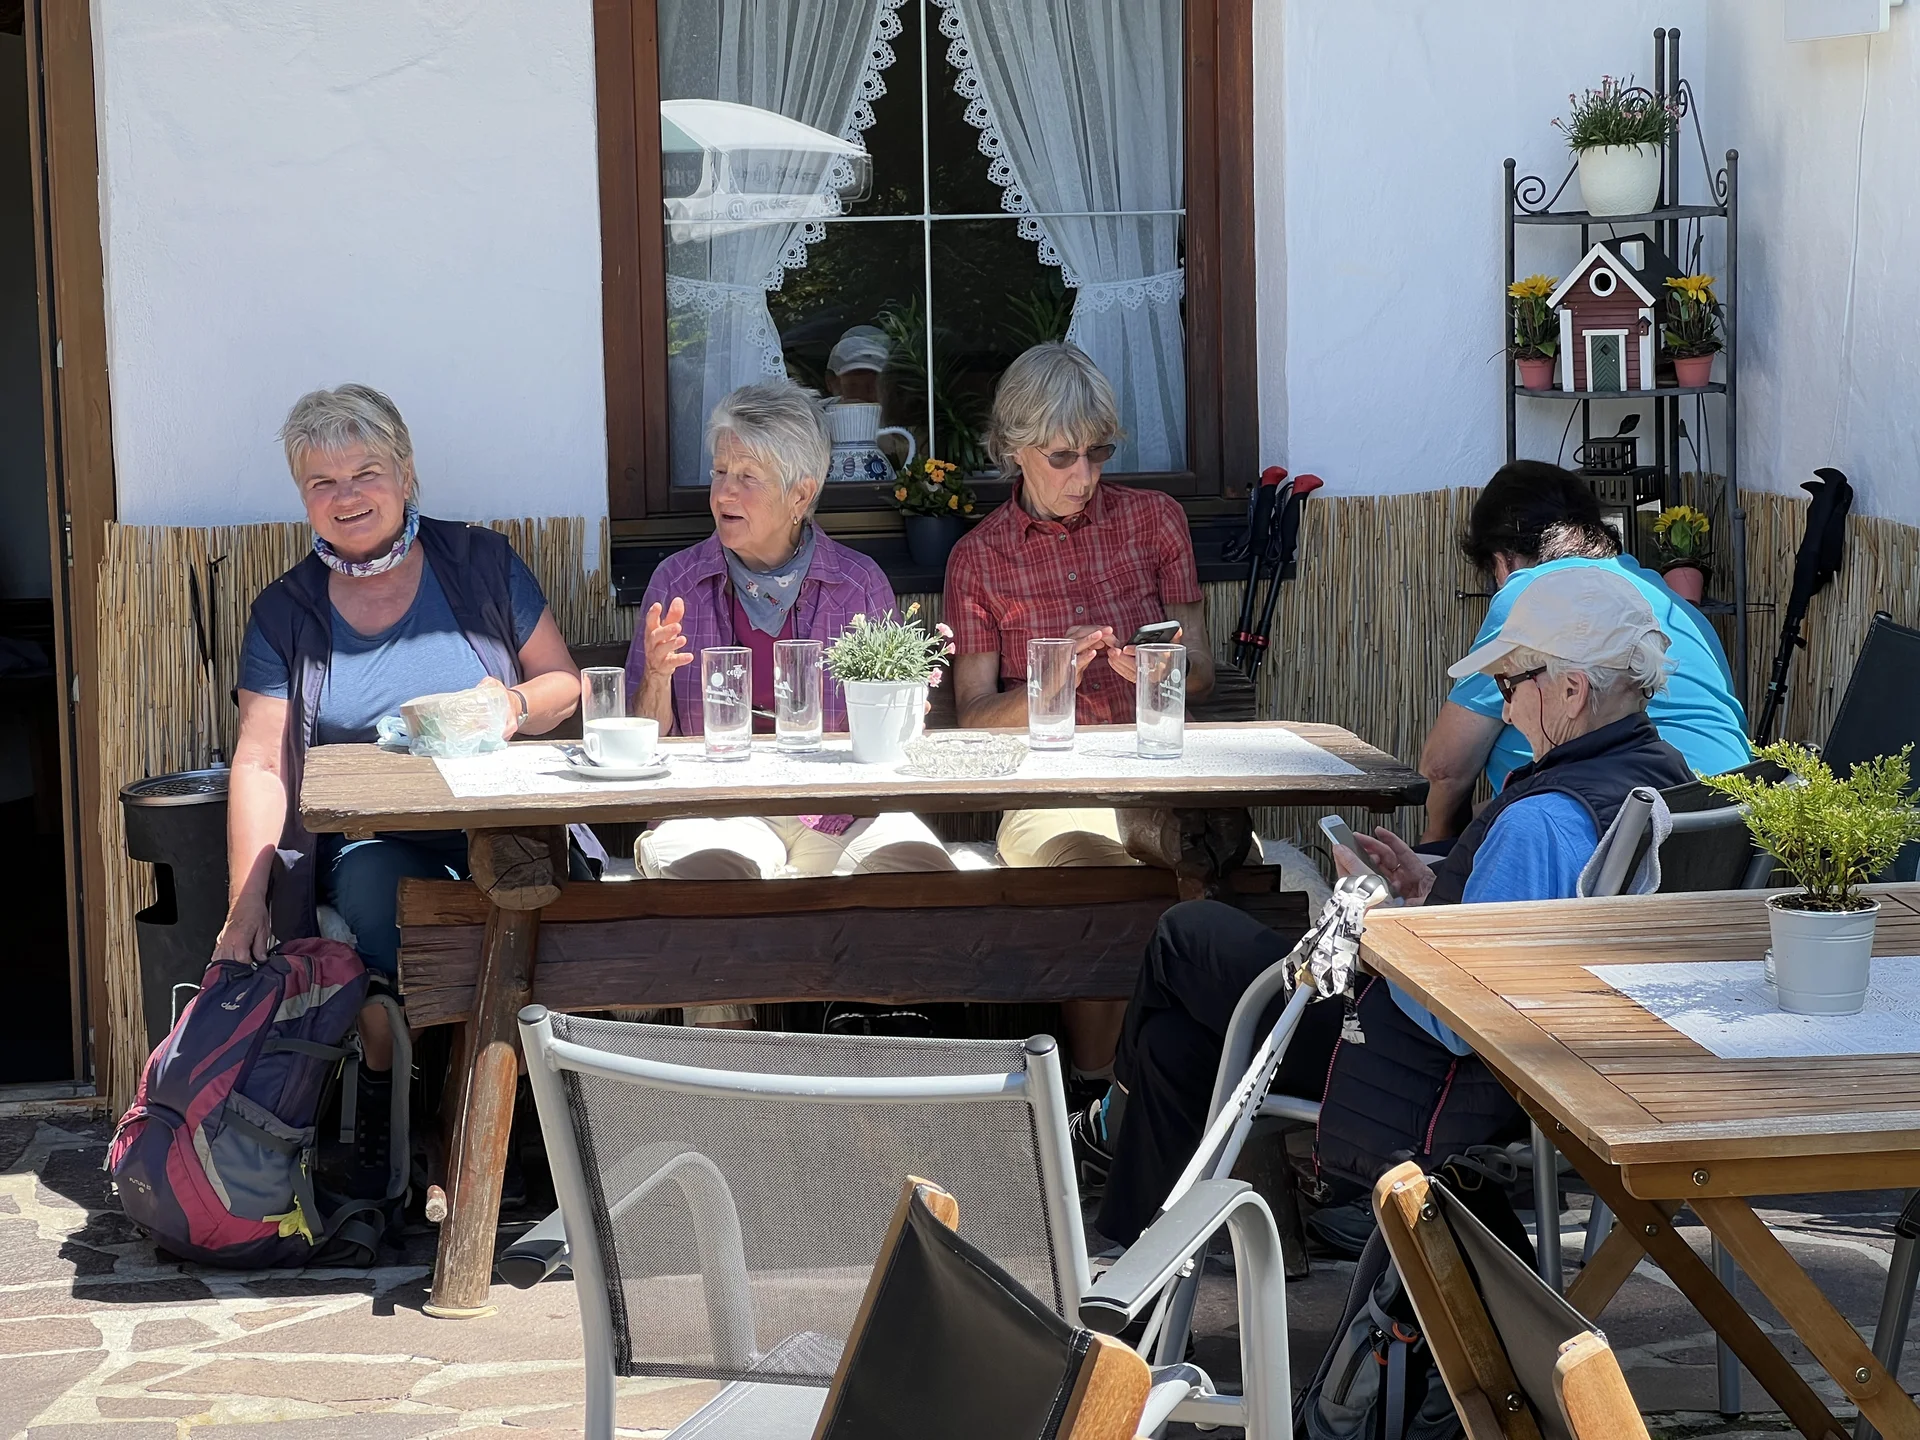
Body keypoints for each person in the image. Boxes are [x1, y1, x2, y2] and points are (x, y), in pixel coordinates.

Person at [1083, 567, 1694, 1248]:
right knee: (1175, 1042)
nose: (1507, 712)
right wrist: (1432, 893)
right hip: (1549, 1070)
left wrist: (1380, 924)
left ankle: (1112, 1125)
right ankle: (1143, 1253)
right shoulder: (1661, 778)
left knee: (1187, 933)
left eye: (1509, 687)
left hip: (1418, 1070)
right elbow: (1519, 940)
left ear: (1572, 691)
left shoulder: (1542, 820)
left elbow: (1460, 1023)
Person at [218, 384, 582, 1189]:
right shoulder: (286, 612)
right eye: (323, 481)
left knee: (531, 885)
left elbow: (563, 684)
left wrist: (511, 705)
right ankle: (423, 1098)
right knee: (380, 892)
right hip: (372, 842)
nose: (347, 496)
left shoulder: (480, 564)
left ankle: (497, 1113)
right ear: (303, 498)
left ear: (406, 474)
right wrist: (246, 905)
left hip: (498, 825)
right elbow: (261, 762)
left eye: (366, 473)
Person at [942, 342, 1214, 1076]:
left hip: (1159, 770)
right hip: (1049, 785)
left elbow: (1202, 673)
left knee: (1218, 871)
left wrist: (1160, 669)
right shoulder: (979, 557)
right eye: (1063, 457)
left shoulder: (1154, 521)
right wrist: (1050, 679)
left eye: (1098, 454)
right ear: (1014, 447)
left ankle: (1192, 1098)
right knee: (1102, 889)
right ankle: (1101, 1098)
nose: (1085, 477)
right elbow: (972, 715)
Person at [625, 379, 953, 888]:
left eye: (747, 477)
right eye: (720, 472)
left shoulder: (857, 585)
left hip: (837, 807)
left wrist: (900, 713)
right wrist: (656, 676)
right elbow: (640, 744)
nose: (724, 492)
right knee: (709, 875)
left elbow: (891, 737)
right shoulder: (678, 582)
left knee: (916, 868)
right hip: (716, 807)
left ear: (800, 494)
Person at [1420, 460, 1748, 843]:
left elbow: (1445, 770)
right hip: (1729, 825)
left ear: (1503, 559)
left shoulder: (1531, 595)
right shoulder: (1671, 602)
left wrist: (1439, 846)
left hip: (1620, 834)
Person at [823, 324, 889, 406]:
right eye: (852, 387)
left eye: (870, 388)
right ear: (831, 383)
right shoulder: (817, 411)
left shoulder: (897, 410)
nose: (861, 395)